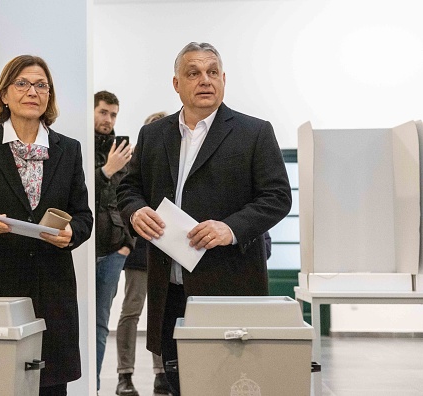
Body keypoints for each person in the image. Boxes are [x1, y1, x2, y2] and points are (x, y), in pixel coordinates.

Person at [117, 42, 292, 395]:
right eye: (193, 73)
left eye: (212, 72)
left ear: (224, 79)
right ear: (176, 83)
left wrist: (230, 228)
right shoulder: (154, 134)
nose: (205, 80)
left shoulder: (254, 132)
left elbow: (277, 197)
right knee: (180, 383)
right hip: (170, 289)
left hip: (230, 286)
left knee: (229, 384)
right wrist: (135, 211)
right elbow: (128, 188)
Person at [0, 55, 93, 396]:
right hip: (0, 288)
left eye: (41, 85)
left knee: (51, 385)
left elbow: (84, 216)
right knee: (0, 382)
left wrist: (72, 234)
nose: (32, 91)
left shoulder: (68, 149)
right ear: (4, 94)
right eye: (22, 83)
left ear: (49, 96)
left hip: (53, 289)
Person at [115, 112, 170, 396]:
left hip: (170, 250)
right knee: (131, 312)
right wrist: (126, 242)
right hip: (139, 252)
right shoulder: (132, 165)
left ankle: (162, 373)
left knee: (162, 313)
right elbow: (120, 202)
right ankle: (125, 375)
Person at [94, 90, 135, 392]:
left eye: (113, 114)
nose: (109, 119)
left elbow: (133, 198)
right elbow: (79, 194)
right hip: (78, 249)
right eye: (103, 112)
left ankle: (92, 386)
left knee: (99, 323)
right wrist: (107, 169)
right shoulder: (74, 146)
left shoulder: (125, 152)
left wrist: (127, 244)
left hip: (113, 251)